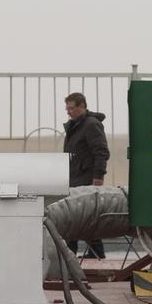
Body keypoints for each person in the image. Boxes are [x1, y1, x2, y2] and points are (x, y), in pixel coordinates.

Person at [62, 92, 109, 259]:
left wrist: (98, 177)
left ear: (82, 106)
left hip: (86, 177)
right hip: (75, 176)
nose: (68, 112)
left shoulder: (91, 125)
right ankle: (78, 251)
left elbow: (101, 151)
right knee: (77, 215)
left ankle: (91, 251)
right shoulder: (75, 126)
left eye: (71, 108)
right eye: (67, 109)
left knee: (85, 215)